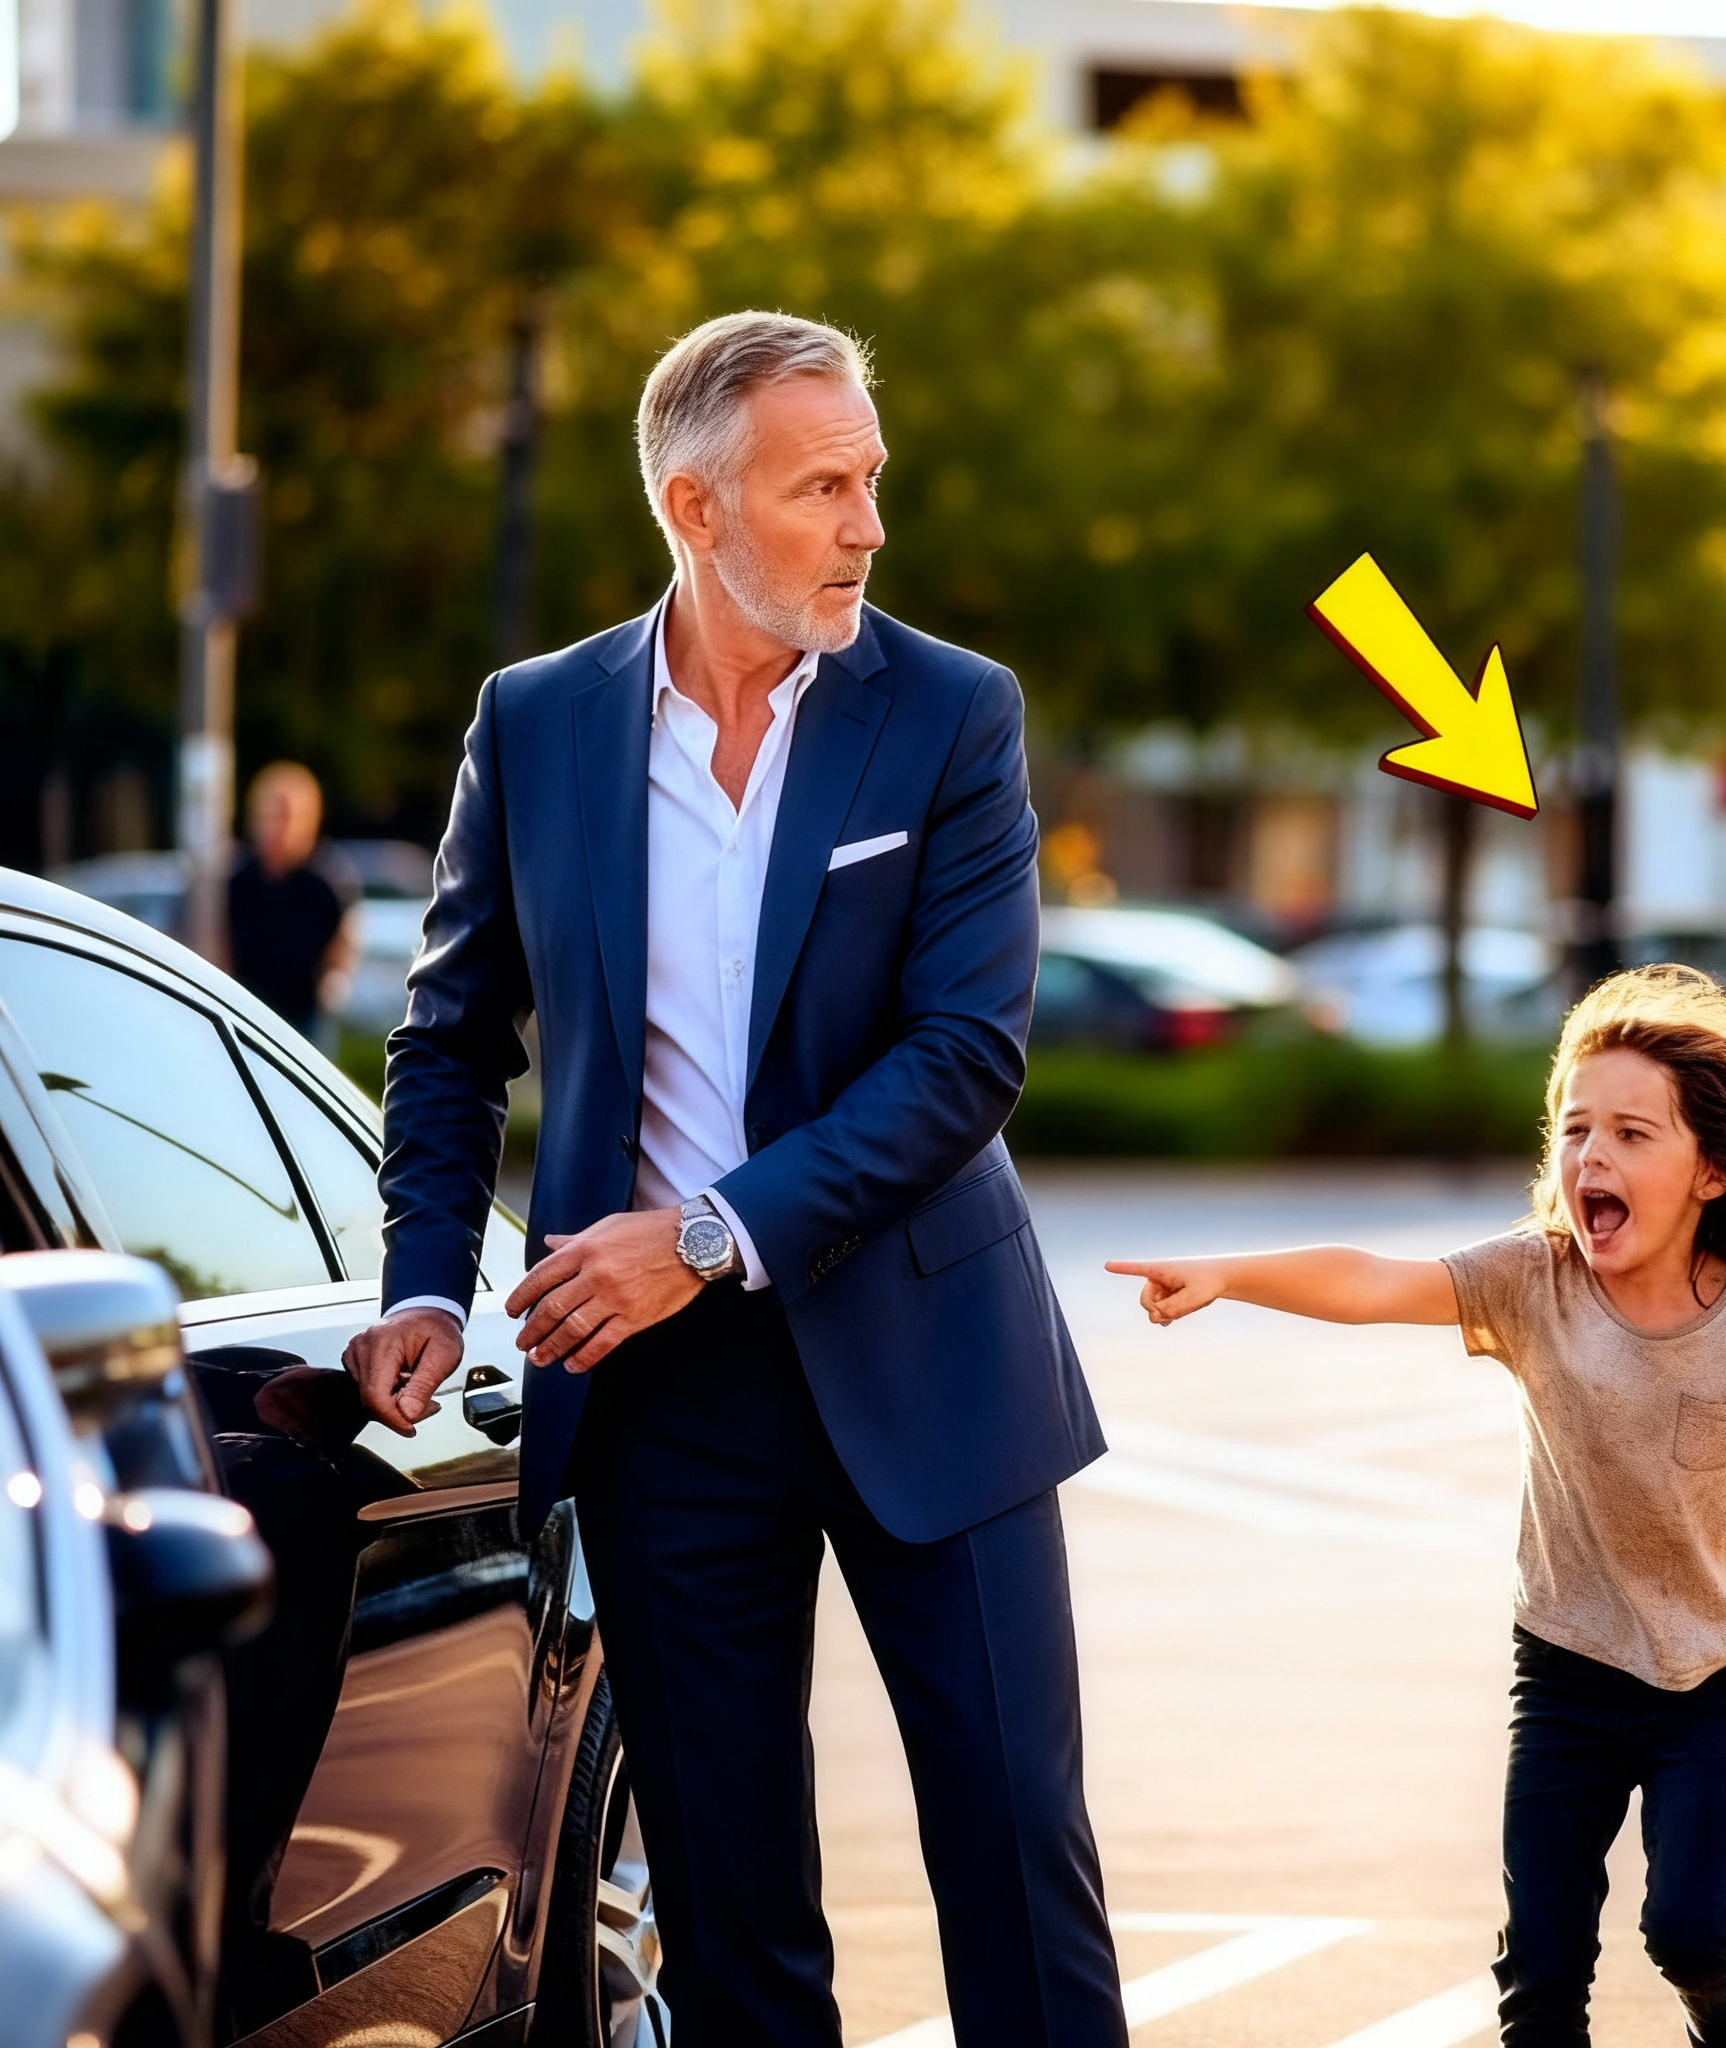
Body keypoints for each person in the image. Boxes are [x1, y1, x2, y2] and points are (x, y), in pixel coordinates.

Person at [341, 312, 1126, 2045]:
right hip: (661, 1401)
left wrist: (706, 1234)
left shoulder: (948, 713)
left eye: (870, 482)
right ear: (695, 509)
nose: (866, 527)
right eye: (823, 487)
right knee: (725, 1893)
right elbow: (451, 1031)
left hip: (931, 1362)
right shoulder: (536, 725)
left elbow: (961, 1055)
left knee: (1012, 1850)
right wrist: (422, 1275)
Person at [1107, 965, 1726, 2048]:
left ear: (1709, 1170)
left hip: (1709, 1679)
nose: (1592, 1155)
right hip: (1565, 1670)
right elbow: (1371, 1280)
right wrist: (1227, 1273)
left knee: (1694, 1931)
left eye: (1630, 1132)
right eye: (1574, 1128)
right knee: (1539, 1971)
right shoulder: (1535, 1282)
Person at [227, 760, 359, 1041]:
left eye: (285, 815)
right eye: (268, 814)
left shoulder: (327, 880)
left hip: (305, 1020)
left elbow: (344, 939)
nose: (275, 826)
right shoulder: (237, 879)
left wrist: (331, 986)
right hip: (244, 1009)